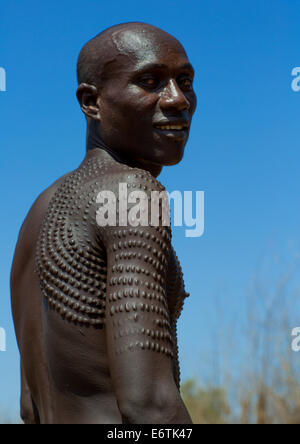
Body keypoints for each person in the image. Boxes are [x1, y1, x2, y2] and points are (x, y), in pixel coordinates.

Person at [10, 22, 197, 424]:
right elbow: (149, 404)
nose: (177, 99)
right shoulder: (131, 193)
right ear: (91, 102)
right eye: (150, 81)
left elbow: (30, 408)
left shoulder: (36, 216)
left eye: (185, 80)